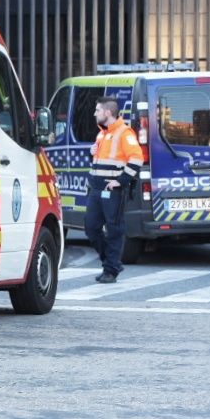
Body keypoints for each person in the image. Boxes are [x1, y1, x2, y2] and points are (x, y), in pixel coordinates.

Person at [85, 97, 143, 284]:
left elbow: (136, 158)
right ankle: (112, 262)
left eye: (97, 110)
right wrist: (92, 152)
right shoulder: (102, 134)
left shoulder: (124, 133)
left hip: (112, 190)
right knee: (91, 228)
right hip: (97, 189)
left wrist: (121, 181)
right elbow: (102, 161)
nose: (94, 114)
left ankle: (110, 269)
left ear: (107, 113)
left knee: (114, 229)